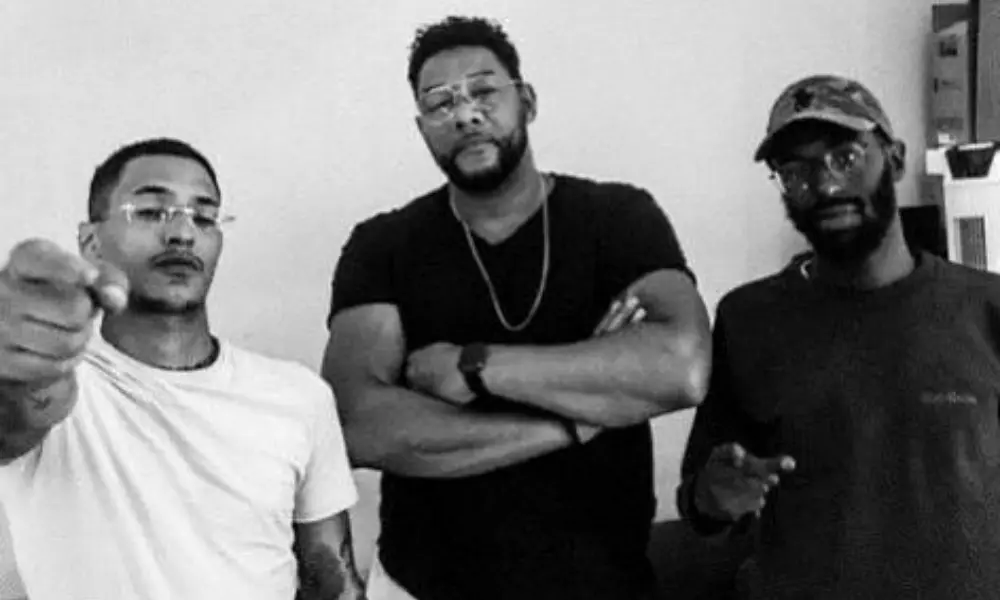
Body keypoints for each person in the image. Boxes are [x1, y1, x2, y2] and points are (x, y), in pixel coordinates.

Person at [322, 15, 712, 600]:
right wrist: (576, 420)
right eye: (440, 102)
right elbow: (358, 426)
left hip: (602, 585)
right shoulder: (384, 245)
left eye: (484, 91)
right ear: (422, 128)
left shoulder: (617, 218)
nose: (465, 114)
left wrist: (475, 367)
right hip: (422, 586)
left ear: (526, 102)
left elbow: (680, 367)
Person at [677, 74, 1000, 599]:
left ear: (894, 158)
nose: (824, 186)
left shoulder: (986, 308)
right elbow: (702, 504)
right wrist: (714, 498)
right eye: (795, 171)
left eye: (845, 157)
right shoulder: (748, 319)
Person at [0, 138, 365, 600]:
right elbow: (16, 415)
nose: (182, 233)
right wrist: (21, 362)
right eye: (151, 212)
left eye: (204, 216)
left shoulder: (298, 395)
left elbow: (330, 575)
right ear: (91, 242)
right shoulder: (58, 380)